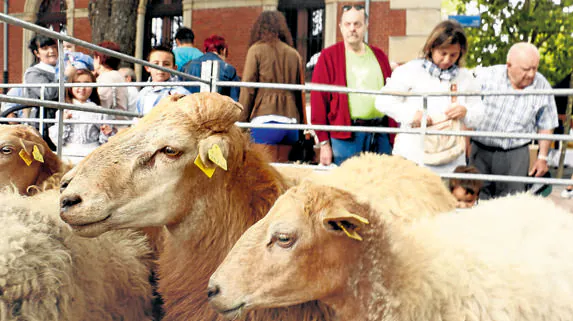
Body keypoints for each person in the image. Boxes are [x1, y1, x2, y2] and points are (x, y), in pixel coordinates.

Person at [375, 20, 484, 174]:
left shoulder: (466, 78)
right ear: (431, 48)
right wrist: (412, 115)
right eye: (443, 53)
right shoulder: (410, 71)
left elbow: (479, 114)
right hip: (412, 157)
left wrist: (466, 112)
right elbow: (383, 101)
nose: (447, 60)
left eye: (453, 55)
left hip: (450, 160)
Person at [471, 42, 558, 199]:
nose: (531, 74)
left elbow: (547, 123)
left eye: (535, 68)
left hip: (516, 153)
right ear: (509, 65)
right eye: (526, 69)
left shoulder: (542, 85)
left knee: (512, 202)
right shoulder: (487, 76)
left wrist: (542, 158)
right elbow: (467, 106)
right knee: (476, 197)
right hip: (480, 149)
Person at [311, 4, 393, 166]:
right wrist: (324, 143)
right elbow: (318, 101)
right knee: (347, 188)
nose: (352, 29)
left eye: (357, 24)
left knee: (380, 186)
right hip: (346, 137)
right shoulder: (329, 57)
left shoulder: (380, 56)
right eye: (348, 24)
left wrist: (393, 136)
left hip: (380, 133)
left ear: (366, 26)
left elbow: (392, 94)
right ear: (341, 27)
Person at [239, 11, 304, 163]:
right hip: (291, 123)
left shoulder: (256, 50)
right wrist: (301, 127)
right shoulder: (294, 54)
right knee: (284, 175)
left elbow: (248, 89)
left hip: (265, 119)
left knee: (265, 176)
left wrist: (241, 124)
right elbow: (299, 92)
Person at [48, 69, 109, 163]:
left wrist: (106, 133)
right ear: (70, 86)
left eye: (87, 83)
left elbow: (105, 142)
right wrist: (63, 122)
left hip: (92, 154)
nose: (82, 88)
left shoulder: (99, 111)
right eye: (77, 83)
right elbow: (56, 140)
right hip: (68, 155)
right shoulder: (64, 109)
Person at [22, 34, 60, 149]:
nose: (51, 51)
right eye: (45, 48)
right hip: (42, 125)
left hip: (62, 122)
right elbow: (48, 93)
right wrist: (66, 77)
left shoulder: (62, 68)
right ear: (36, 53)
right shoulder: (33, 72)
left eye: (54, 47)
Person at [182, 34, 241, 101]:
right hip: (217, 108)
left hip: (190, 108)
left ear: (205, 50)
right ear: (223, 50)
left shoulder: (186, 66)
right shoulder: (228, 69)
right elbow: (234, 99)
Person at [136, 45, 190, 115]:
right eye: (156, 63)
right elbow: (137, 119)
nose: (161, 67)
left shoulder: (181, 93)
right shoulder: (143, 93)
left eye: (166, 64)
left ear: (174, 68)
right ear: (147, 67)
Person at [93, 41, 129, 137]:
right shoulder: (118, 75)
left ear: (98, 58)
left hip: (113, 130)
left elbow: (103, 104)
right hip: (122, 126)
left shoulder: (106, 77)